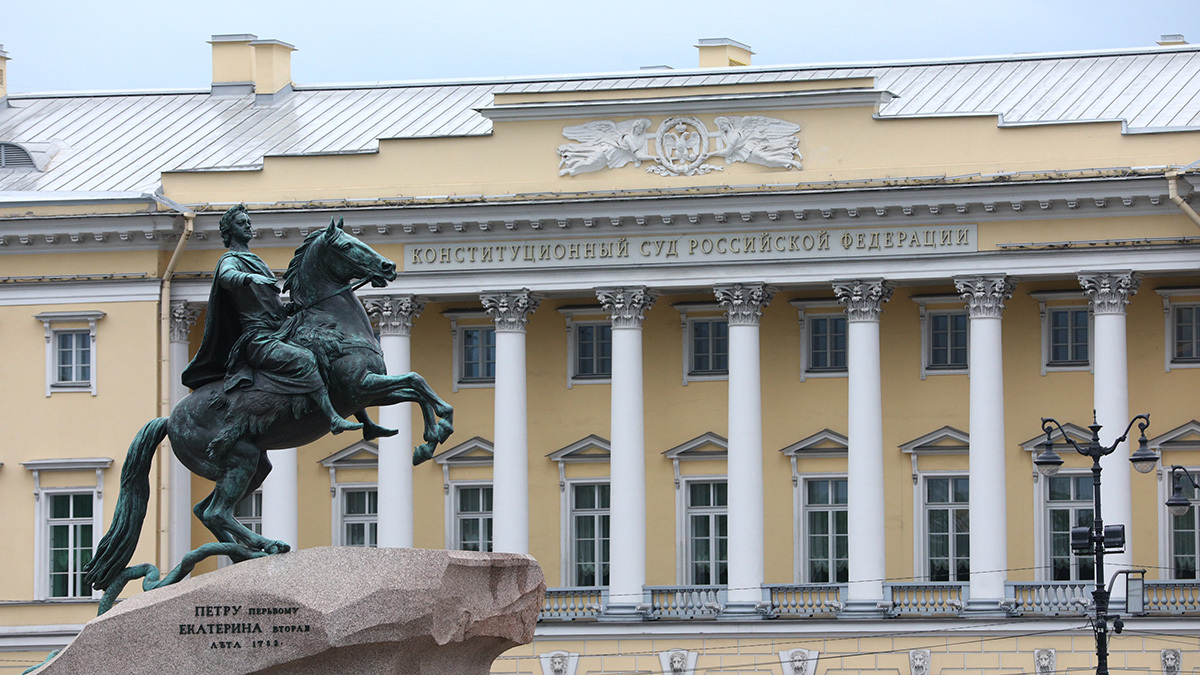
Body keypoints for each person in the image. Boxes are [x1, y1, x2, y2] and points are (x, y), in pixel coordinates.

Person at [182, 204, 362, 436]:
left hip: (279, 331)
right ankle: (333, 419)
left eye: (248, 222)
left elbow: (268, 304)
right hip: (258, 340)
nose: (247, 225)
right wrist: (249, 278)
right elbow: (227, 277)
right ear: (229, 231)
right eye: (241, 223)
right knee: (305, 359)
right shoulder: (231, 260)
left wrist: (288, 309)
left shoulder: (256, 260)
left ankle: (365, 420)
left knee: (329, 355)